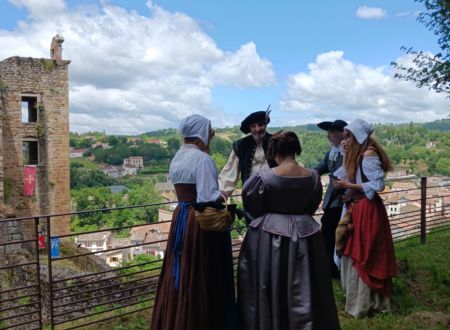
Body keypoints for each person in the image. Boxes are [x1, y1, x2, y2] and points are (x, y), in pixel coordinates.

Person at [238, 131, 340, 330]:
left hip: (270, 238)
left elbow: (252, 207)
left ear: (274, 151)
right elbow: (312, 206)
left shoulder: (263, 177)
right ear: (296, 149)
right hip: (306, 236)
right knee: (307, 285)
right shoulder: (312, 177)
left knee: (271, 283)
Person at [151, 114, 237, 330]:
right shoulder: (202, 159)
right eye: (210, 134)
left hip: (180, 216)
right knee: (201, 270)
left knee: (181, 266)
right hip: (199, 222)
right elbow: (207, 197)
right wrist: (223, 196)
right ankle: (201, 319)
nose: (211, 138)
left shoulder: (177, 157)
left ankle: (175, 317)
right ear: (201, 135)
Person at [333, 118, 397, 318]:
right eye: (345, 136)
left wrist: (349, 187)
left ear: (357, 136)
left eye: (348, 136)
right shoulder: (358, 153)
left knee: (365, 252)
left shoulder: (368, 154)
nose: (346, 140)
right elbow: (353, 177)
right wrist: (349, 190)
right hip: (360, 207)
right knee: (355, 251)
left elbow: (377, 186)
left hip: (368, 210)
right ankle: (361, 301)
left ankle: (369, 303)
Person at [219, 109, 277, 200]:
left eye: (260, 125)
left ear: (265, 125)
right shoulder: (241, 146)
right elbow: (230, 173)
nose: (257, 129)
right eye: (254, 126)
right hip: (251, 197)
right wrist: (221, 194)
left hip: (275, 194)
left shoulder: (277, 142)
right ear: (249, 128)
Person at [314, 119, 347, 279]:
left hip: (345, 198)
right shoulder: (331, 153)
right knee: (328, 232)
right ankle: (331, 267)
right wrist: (303, 173)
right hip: (332, 198)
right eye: (329, 132)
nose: (329, 135)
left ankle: (335, 267)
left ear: (343, 133)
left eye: (333, 132)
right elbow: (319, 169)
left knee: (335, 232)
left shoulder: (350, 152)